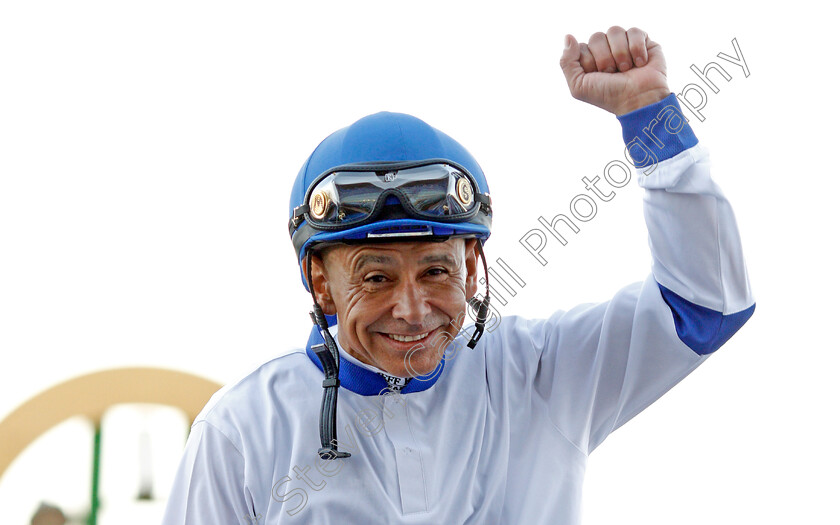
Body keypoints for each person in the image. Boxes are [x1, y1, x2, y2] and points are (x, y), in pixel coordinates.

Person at [161, 26, 755, 524]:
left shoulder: (543, 374)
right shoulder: (240, 430)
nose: (413, 309)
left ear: (473, 268)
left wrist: (649, 115)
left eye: (437, 270)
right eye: (375, 278)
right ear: (319, 283)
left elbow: (707, 304)